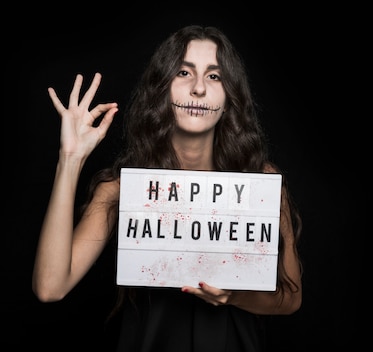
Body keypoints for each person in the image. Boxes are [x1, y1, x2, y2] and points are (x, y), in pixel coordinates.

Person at [32, 25, 303, 352]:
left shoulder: (262, 182)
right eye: (184, 72)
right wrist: (70, 159)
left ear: (230, 98)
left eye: (214, 76)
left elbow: (291, 299)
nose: (199, 89)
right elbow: (50, 287)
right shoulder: (121, 188)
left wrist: (234, 296)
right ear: (162, 88)